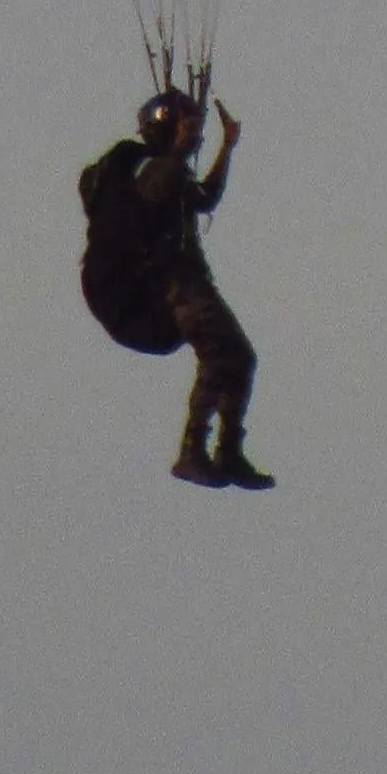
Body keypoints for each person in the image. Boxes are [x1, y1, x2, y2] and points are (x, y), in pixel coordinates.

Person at [78, 82, 272, 490]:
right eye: (186, 124)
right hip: (172, 283)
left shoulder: (175, 172)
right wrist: (180, 150)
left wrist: (227, 147)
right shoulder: (152, 171)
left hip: (191, 280)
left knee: (242, 358)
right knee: (220, 355)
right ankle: (192, 451)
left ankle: (229, 450)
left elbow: (205, 197)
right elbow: (147, 201)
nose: (194, 132)